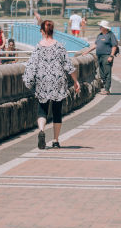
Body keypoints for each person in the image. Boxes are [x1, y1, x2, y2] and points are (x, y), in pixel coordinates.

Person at [23, 19, 81, 149]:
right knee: (57, 111)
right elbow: (69, 66)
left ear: (43, 32)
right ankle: (55, 140)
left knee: (42, 109)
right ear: (52, 30)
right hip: (57, 81)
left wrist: (28, 81)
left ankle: (42, 130)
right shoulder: (59, 46)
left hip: (42, 80)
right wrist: (76, 81)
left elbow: (31, 66)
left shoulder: (38, 46)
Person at [82, 20, 119, 94]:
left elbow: (114, 46)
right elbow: (95, 45)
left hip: (107, 56)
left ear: (105, 28)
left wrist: (111, 56)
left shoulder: (110, 35)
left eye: (101, 26)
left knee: (107, 72)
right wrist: (87, 52)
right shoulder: (100, 35)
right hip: (99, 56)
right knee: (101, 73)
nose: (100, 27)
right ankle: (105, 87)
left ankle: (107, 89)